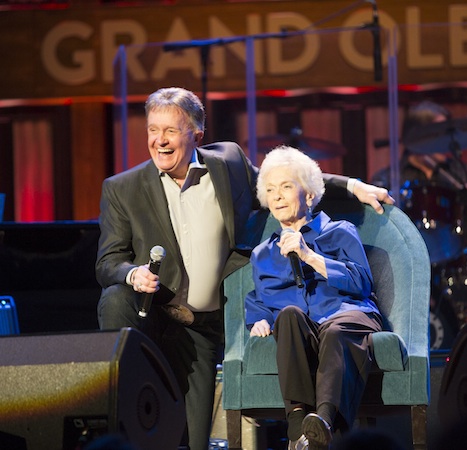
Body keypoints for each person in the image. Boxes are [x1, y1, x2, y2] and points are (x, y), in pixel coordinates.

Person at [95, 87, 394, 450]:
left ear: (196, 134)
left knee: (193, 436)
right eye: (152, 130)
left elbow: (290, 182)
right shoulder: (121, 189)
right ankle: (117, 408)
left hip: (206, 326)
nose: (159, 141)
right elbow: (108, 262)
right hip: (157, 316)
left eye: (171, 131)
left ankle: (311, 431)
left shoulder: (228, 164)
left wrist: (351, 185)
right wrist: (131, 274)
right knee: (114, 300)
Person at [245, 146, 385, 450]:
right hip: (305, 326)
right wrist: (258, 318)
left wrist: (309, 256)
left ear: (308, 195)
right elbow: (258, 298)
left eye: (285, 186)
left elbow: (361, 283)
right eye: (270, 190)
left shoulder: (340, 232)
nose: (277, 196)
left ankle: (322, 423)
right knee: (289, 315)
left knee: (335, 329)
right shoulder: (263, 254)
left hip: (348, 317)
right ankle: (298, 425)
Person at [371, 101, 467, 345]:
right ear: (418, 136)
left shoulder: (459, 175)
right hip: (405, 275)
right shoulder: (387, 179)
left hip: (457, 275)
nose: (446, 141)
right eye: (439, 133)